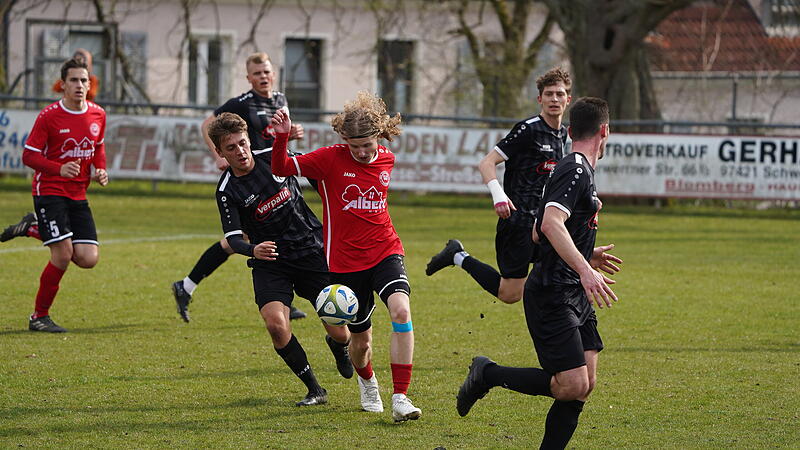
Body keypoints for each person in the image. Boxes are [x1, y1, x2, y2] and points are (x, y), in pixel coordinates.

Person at [456, 97, 622, 449]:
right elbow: (549, 223)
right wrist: (584, 268)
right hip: (552, 292)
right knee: (572, 384)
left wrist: (585, 252)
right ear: (605, 131)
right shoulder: (575, 168)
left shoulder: (577, 170)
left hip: (572, 290)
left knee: (585, 384)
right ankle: (488, 374)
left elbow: (536, 231)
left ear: (571, 130)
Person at [270, 92, 422, 422]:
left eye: (368, 145)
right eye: (355, 147)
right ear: (344, 140)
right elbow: (281, 166)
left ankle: (401, 397)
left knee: (401, 309)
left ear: (378, 136)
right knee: (361, 342)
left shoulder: (387, 158)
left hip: (385, 250)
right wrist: (282, 137)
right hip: (345, 264)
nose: (363, 152)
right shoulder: (329, 159)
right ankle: (368, 382)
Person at [208, 112, 353, 406]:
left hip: (311, 250)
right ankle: (315, 389)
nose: (240, 151)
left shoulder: (272, 158)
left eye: (242, 143)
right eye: (231, 148)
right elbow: (234, 238)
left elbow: (317, 170)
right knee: (275, 324)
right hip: (270, 260)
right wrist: (253, 250)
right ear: (220, 152)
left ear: (249, 140)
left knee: (340, 329)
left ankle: (339, 347)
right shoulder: (227, 191)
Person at [427, 68, 607, 305]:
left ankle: (565, 325)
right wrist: (498, 195)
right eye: (549, 94)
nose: (555, 99)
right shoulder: (528, 129)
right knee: (510, 294)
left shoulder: (564, 135)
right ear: (539, 99)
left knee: (558, 272)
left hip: (542, 222)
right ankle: (458, 255)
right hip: (519, 221)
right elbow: (486, 163)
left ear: (568, 99)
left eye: (560, 94)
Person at [171, 52, 307, 322]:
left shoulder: (280, 99)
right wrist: (219, 156)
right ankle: (187, 286)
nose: (263, 77)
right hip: (247, 181)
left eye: (266, 72)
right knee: (245, 239)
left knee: (247, 239)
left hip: (271, 177)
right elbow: (207, 124)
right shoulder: (242, 103)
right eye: (257, 73)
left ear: (274, 74)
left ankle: (186, 286)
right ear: (249, 78)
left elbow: (272, 135)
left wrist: (290, 134)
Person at [18, 57, 108, 332]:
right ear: (62, 85)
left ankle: (36, 228)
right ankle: (39, 317)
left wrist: (101, 170)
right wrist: (58, 168)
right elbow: (28, 155)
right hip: (49, 191)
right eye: (74, 80)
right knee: (62, 254)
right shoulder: (49, 116)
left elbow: (98, 149)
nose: (80, 85)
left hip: (78, 193)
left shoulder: (98, 115)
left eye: (84, 80)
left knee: (88, 259)